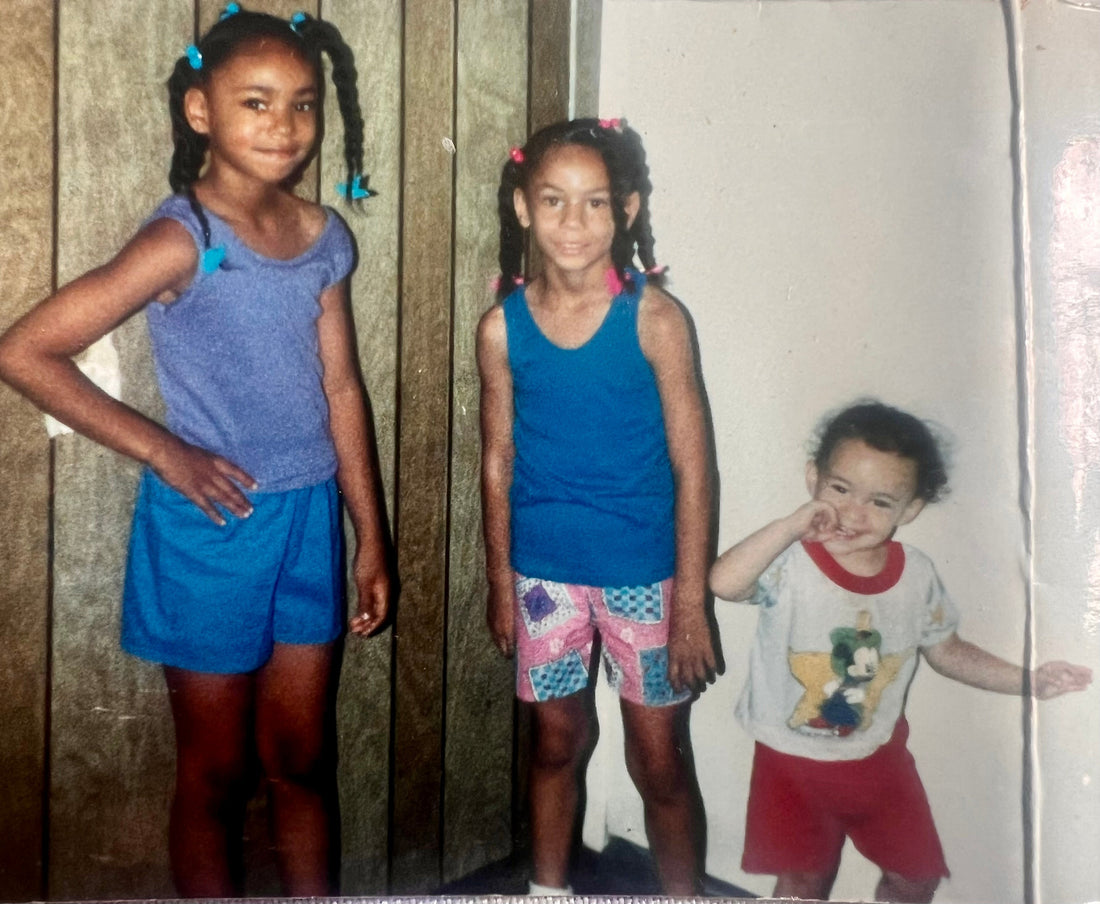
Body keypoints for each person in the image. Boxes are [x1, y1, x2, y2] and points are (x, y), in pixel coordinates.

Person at [0, 7, 391, 897]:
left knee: (301, 761)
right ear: (200, 110)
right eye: (255, 102)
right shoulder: (188, 239)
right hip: (209, 529)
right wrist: (164, 451)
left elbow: (340, 391)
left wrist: (370, 533)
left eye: (301, 105)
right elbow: (24, 351)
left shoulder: (326, 236)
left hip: (308, 519)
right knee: (214, 777)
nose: (283, 126)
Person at [708, 401, 1092, 903]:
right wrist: (791, 525)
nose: (853, 512)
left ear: (910, 510)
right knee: (804, 882)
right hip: (792, 761)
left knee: (916, 876)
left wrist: (1029, 680)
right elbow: (724, 583)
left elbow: (948, 650)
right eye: (840, 489)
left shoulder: (916, 575)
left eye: (881, 501)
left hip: (878, 759)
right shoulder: (790, 562)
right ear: (813, 480)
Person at [477, 117, 716, 895]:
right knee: (555, 745)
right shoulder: (500, 328)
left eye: (594, 203)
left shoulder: (655, 319)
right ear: (522, 207)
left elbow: (692, 465)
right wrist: (498, 582)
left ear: (628, 210)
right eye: (553, 201)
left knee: (658, 763)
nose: (572, 224)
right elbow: (497, 460)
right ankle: (549, 891)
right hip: (544, 576)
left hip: (646, 577)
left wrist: (691, 607)